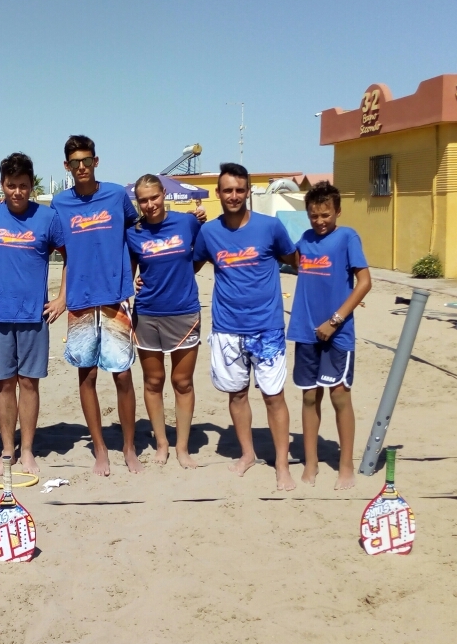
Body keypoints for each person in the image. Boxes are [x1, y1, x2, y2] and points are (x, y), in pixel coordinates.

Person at [192, 162, 298, 490]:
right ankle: (248, 454)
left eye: (240, 190)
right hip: (226, 329)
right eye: (228, 190)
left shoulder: (271, 228)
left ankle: (282, 463)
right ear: (218, 193)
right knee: (236, 395)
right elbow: (188, 268)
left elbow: (298, 262)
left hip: (267, 328)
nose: (234, 196)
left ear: (248, 191)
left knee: (273, 396)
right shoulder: (209, 233)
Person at [50, 135, 144, 475]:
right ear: (66, 167)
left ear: (96, 161)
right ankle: (100, 449)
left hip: (115, 299)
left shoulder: (117, 195)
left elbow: (138, 237)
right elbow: (57, 253)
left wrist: (136, 275)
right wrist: (61, 296)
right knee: (86, 375)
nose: (81, 167)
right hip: (79, 301)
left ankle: (130, 449)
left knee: (122, 376)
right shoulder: (59, 204)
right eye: (74, 163)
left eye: (86, 161)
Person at [0, 152, 66, 475]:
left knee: (29, 384)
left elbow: (71, 256)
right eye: (11, 185)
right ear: (2, 185)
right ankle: (7, 451)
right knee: (3, 384)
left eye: (23, 186)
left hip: (34, 317)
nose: (17, 192)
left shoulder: (47, 218)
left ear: (31, 185)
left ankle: (27, 450)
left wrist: (62, 298)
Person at [287, 183, 371, 490]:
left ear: (337, 211)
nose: (320, 221)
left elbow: (364, 281)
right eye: (313, 215)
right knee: (309, 396)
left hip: (338, 331)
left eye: (325, 214)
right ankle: (311, 463)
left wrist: (335, 320)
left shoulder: (347, 237)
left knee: (339, 395)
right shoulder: (305, 240)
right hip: (305, 330)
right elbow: (283, 258)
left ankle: (345, 464)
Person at [127, 174, 203, 468]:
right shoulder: (133, 232)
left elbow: (203, 253)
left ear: (164, 195)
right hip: (147, 313)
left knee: (182, 382)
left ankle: (182, 447)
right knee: (153, 381)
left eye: (154, 197)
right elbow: (128, 270)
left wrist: (185, 273)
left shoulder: (187, 223)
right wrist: (131, 283)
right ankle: (162, 444)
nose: (149, 205)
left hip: (184, 311)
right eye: (143, 200)